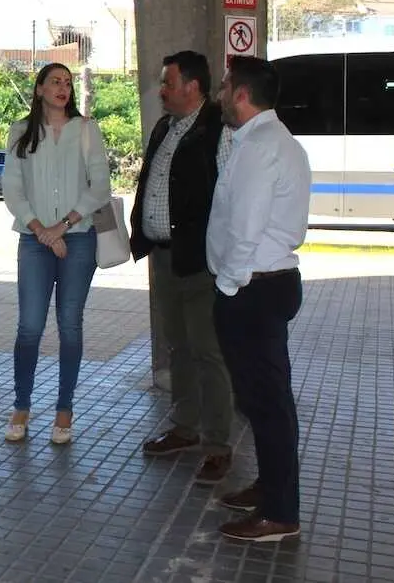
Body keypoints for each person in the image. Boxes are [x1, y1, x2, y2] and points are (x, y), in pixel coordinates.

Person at [208, 55, 311, 542]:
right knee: (266, 400)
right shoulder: (273, 140)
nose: (221, 95)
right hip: (267, 283)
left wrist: (228, 287)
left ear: (242, 94)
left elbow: (245, 226)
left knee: (267, 405)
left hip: (253, 286)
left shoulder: (259, 146)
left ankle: (279, 514)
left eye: (226, 87)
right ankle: (270, 487)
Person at [129, 50, 236, 485]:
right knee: (179, 347)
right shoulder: (165, 127)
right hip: (163, 255)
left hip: (201, 260)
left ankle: (217, 444)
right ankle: (185, 428)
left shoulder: (218, 131)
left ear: (192, 87)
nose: (162, 90)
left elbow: (230, 198)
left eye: (167, 83)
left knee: (208, 351)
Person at [0, 63, 110, 445]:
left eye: (67, 83)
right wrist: (41, 232)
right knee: (29, 326)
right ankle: (21, 406)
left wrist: (60, 227)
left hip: (78, 238)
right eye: (55, 82)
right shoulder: (20, 132)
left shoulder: (87, 130)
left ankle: (64, 409)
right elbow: (13, 190)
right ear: (40, 89)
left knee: (70, 325)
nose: (63, 89)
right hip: (33, 241)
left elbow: (100, 187)